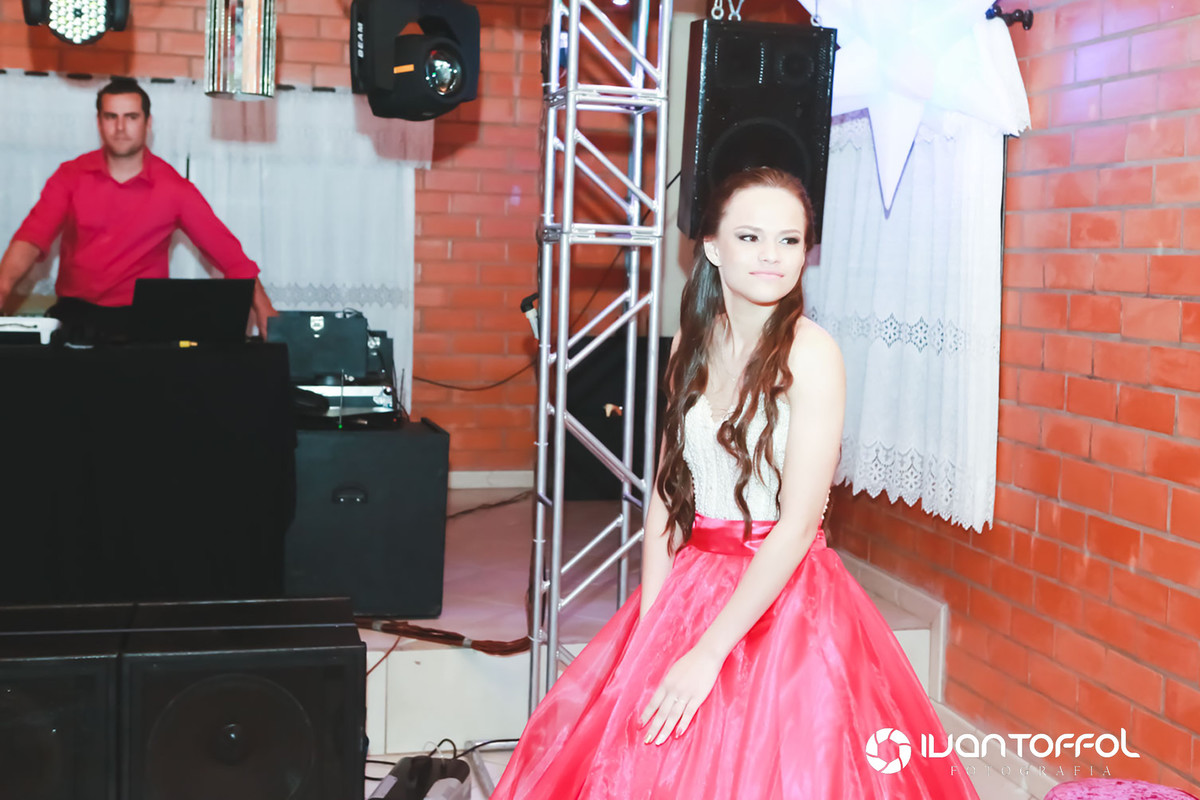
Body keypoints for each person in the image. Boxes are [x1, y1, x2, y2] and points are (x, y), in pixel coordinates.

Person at [491, 167, 981, 799]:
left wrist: (709, 650)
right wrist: (652, 627)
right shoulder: (690, 345)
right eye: (750, 237)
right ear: (714, 248)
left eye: (789, 240)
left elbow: (798, 525)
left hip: (784, 592)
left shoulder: (813, 354)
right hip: (693, 578)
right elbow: (666, 497)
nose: (772, 255)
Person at [0, 78, 276, 340]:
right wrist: (2, 286)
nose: (121, 127)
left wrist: (264, 308)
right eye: (111, 117)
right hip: (76, 317)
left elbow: (229, 255)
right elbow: (31, 238)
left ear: (148, 123)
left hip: (144, 322)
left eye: (131, 117)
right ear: (99, 122)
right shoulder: (70, 176)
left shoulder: (173, 188)